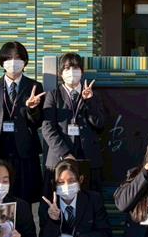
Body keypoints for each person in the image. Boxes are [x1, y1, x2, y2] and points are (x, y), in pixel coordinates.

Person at [0, 41, 45, 203]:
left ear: (24, 61)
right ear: (2, 62)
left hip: (24, 152)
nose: (13, 62)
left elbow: (38, 122)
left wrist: (32, 109)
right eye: (9, 58)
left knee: (24, 199)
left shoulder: (34, 86)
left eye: (18, 58)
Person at [42, 52, 107, 191]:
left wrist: (89, 102)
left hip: (88, 159)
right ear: (61, 73)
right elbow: (47, 129)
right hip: (59, 160)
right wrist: (65, 154)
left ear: (82, 72)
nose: (72, 72)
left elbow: (100, 124)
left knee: (89, 199)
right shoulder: (53, 95)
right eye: (67, 68)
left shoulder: (93, 96)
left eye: (76, 68)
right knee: (58, 198)